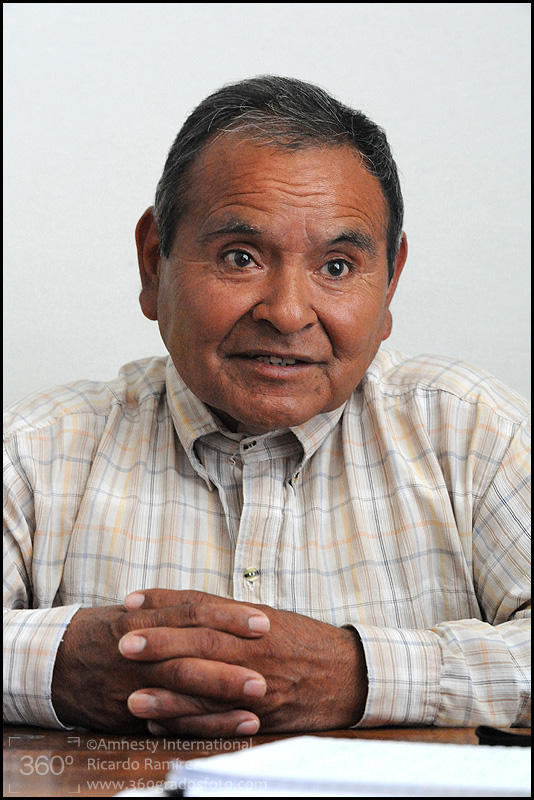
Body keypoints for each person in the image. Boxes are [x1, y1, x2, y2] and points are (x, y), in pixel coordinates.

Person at [3, 75, 530, 736]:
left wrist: (357, 676)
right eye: (241, 257)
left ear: (390, 282)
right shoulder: (40, 449)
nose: (286, 312)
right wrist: (61, 664)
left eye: (336, 267)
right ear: (154, 262)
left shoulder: (473, 432)